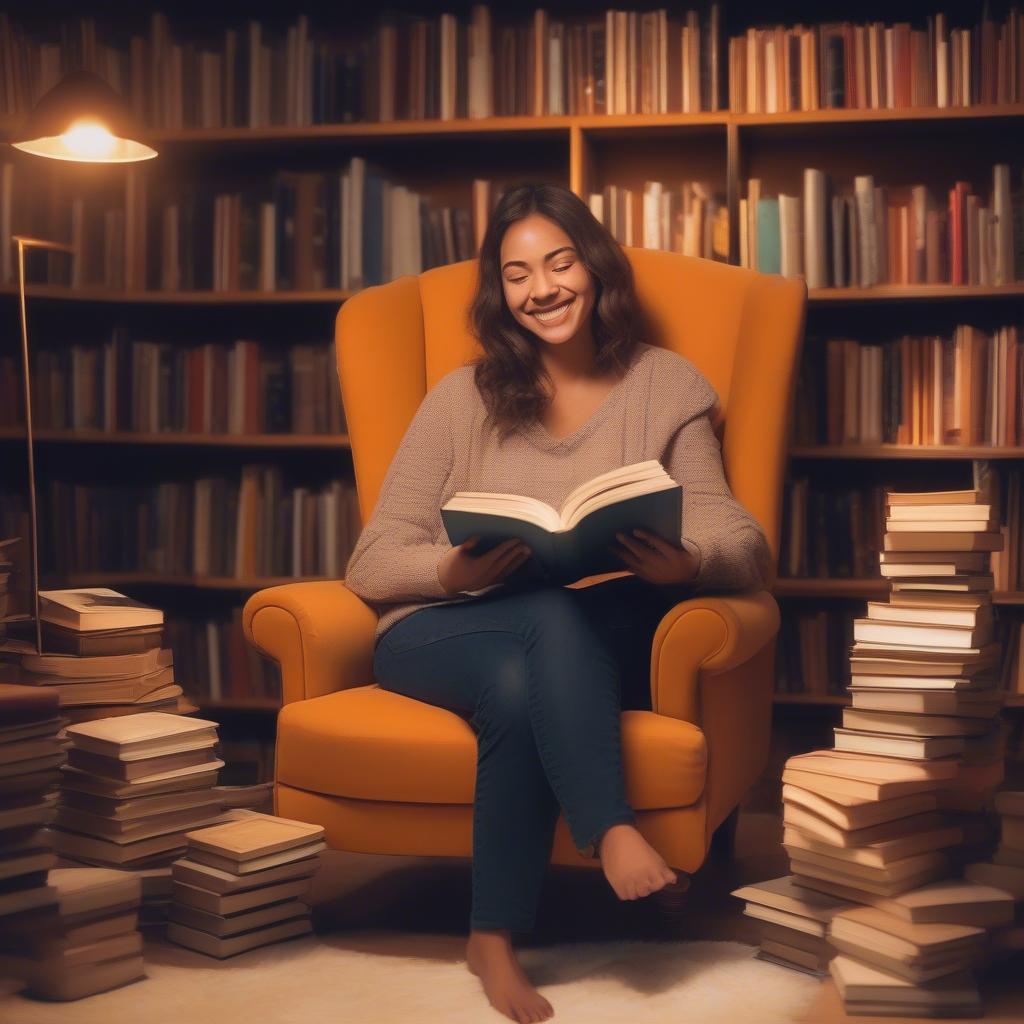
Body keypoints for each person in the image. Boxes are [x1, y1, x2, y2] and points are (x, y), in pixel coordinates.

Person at [342, 182, 773, 1024]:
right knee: (544, 616)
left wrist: (685, 563)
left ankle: (492, 937)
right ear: (498, 293)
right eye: (515, 273)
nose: (541, 288)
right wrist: (450, 574)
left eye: (558, 261)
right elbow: (371, 559)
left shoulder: (665, 385)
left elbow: (744, 541)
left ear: (594, 265)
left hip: (581, 633)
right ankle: (609, 828)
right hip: (437, 631)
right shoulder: (459, 398)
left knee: (532, 664)